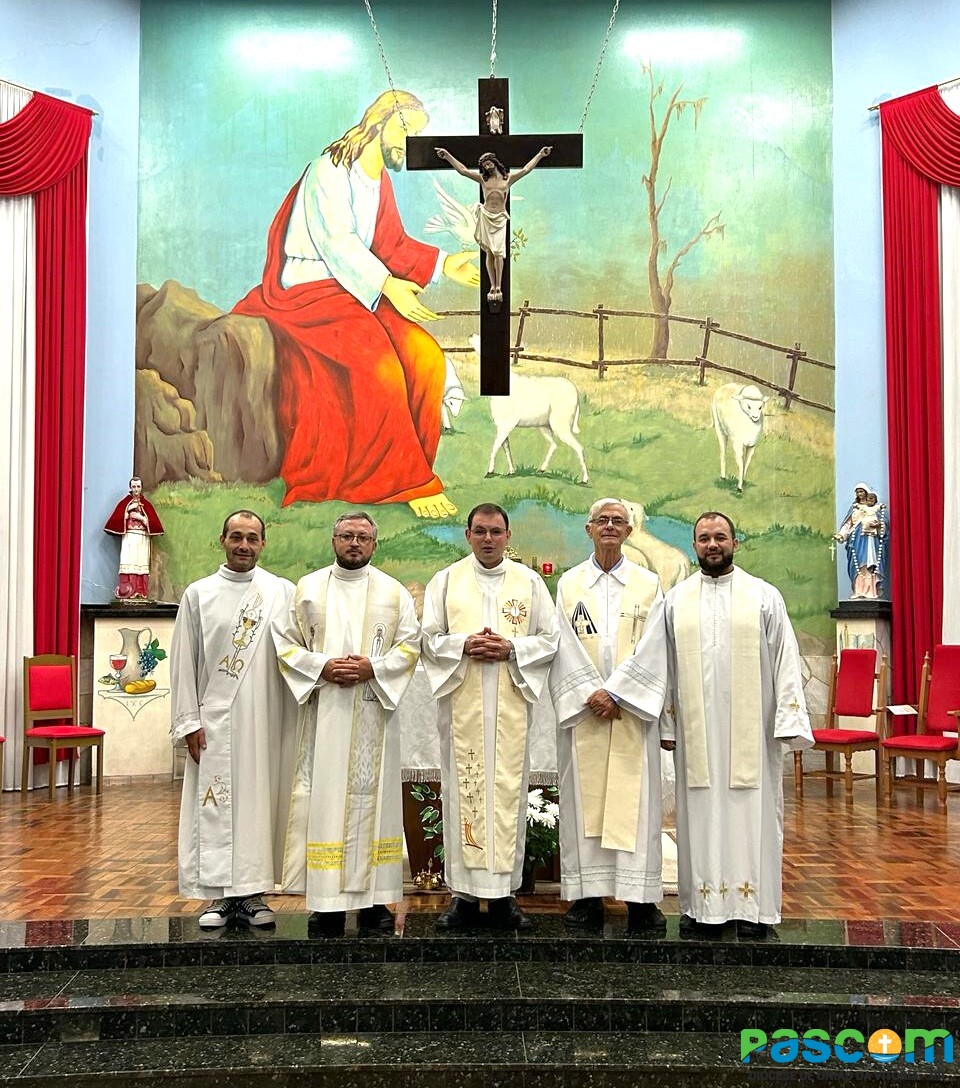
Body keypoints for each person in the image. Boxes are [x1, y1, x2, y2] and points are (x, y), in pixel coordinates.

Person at [234, 90, 478, 518]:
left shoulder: (377, 179)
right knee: (379, 364)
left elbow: (390, 243)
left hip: (354, 289)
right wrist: (387, 285)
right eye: (406, 131)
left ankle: (400, 470)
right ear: (380, 123)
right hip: (309, 288)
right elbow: (337, 242)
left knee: (425, 357)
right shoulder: (329, 169)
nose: (410, 144)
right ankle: (404, 480)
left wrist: (443, 265)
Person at [661, 512, 813, 940]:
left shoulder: (764, 597)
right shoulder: (676, 601)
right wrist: (667, 724)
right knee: (699, 816)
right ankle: (699, 907)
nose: (713, 544)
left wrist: (787, 719)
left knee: (755, 817)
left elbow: (785, 659)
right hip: (698, 734)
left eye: (720, 537)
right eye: (704, 538)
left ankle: (753, 909)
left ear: (735, 542)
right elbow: (664, 667)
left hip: (754, 734)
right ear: (695, 545)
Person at [271, 511, 421, 936]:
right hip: (326, 715)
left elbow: (411, 646)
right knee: (326, 802)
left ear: (375, 544)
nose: (354, 543)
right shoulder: (309, 589)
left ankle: (376, 903)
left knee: (375, 804)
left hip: (375, 711)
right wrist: (322, 666)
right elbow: (284, 643)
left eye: (363, 537)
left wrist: (374, 668)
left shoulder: (393, 593)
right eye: (346, 535)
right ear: (333, 540)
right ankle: (326, 905)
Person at [422, 503, 559, 930]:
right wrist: (464, 644)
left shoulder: (530, 582)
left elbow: (550, 638)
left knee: (506, 793)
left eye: (495, 532)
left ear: (508, 535)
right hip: (462, 702)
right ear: (467, 535)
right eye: (479, 531)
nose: (487, 539)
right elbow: (427, 638)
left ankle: (504, 898)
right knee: (464, 790)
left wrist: (511, 649)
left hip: (510, 704)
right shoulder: (445, 581)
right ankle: (462, 896)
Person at [170, 511, 297, 929]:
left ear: (264, 544)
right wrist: (188, 721)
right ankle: (219, 896)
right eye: (236, 537)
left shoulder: (281, 592)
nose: (244, 545)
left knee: (259, 804)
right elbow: (184, 663)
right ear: (221, 539)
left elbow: (300, 654)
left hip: (268, 721)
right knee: (216, 805)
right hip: (215, 722)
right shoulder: (198, 594)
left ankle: (254, 892)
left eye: (253, 538)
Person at [550, 498, 669, 934]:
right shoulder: (568, 584)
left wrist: (618, 693)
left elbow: (656, 645)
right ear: (588, 528)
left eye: (618, 521)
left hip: (630, 714)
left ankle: (640, 899)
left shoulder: (648, 584)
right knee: (584, 801)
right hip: (585, 715)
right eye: (602, 520)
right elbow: (560, 643)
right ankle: (586, 896)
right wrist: (590, 694)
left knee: (636, 804)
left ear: (630, 531)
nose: (610, 527)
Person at [434, 146, 551, 306]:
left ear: (494, 163)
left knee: (498, 252)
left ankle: (498, 286)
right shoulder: (484, 179)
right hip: (486, 216)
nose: (487, 167)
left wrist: (539, 155)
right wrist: (447, 156)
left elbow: (526, 169)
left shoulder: (507, 178)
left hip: (500, 218)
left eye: (488, 163)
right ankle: (492, 286)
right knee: (489, 252)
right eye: (484, 165)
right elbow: (463, 170)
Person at [103, 477, 164, 600]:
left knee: (141, 563)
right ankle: (127, 591)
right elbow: (115, 520)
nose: (136, 490)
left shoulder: (146, 505)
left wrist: (141, 518)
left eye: (138, 487)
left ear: (141, 488)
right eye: (134, 487)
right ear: (130, 488)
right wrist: (128, 510)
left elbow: (153, 523)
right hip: (129, 537)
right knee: (129, 562)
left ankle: (141, 592)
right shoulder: (125, 504)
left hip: (142, 538)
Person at [835, 483, 888, 599]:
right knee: (857, 565)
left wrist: (879, 525)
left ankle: (871, 591)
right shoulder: (855, 508)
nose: (859, 494)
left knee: (870, 563)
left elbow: (884, 525)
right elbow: (848, 524)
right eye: (857, 492)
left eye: (861, 491)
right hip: (856, 540)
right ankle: (858, 591)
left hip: (870, 540)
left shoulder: (875, 508)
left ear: (866, 492)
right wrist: (841, 535)